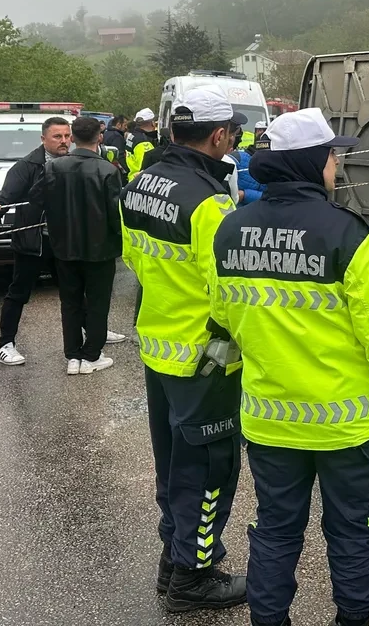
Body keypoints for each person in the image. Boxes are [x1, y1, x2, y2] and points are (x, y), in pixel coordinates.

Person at [210, 108, 369, 626]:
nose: (336, 165)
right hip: (346, 428)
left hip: (270, 421)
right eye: (331, 155)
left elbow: (223, 321)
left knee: (275, 530)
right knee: (353, 531)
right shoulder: (351, 235)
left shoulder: (229, 231)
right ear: (312, 162)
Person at [121, 87, 247, 612]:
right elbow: (230, 291)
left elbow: (131, 260)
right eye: (234, 134)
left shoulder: (139, 183)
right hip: (205, 355)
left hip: (158, 346)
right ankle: (193, 577)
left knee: (173, 462)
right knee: (211, 466)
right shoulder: (210, 203)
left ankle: (174, 560)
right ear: (218, 136)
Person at [0, 116, 119, 367]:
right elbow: (5, 199)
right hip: (34, 241)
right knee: (19, 291)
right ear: (43, 139)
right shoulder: (28, 166)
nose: (64, 141)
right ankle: (6, 343)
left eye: (67, 136)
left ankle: (93, 332)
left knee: (73, 296)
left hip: (65, 243)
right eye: (57, 137)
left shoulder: (79, 162)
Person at [38, 116, 123, 375]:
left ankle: (73, 355)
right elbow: (115, 214)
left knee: (70, 301)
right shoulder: (109, 170)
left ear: (72, 137)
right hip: (100, 249)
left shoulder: (53, 168)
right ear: (100, 137)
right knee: (97, 302)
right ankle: (92, 354)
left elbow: (40, 201)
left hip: (64, 246)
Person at [124, 108, 159, 179]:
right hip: (140, 180)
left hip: (132, 177)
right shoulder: (144, 142)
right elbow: (147, 167)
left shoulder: (133, 136)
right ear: (152, 122)